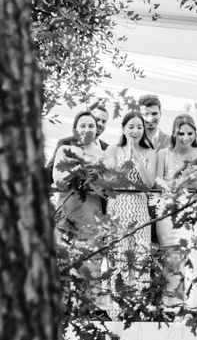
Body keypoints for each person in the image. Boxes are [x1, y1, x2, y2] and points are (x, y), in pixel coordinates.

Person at [103, 112, 157, 291]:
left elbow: (149, 183)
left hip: (140, 209)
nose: (135, 131)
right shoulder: (112, 150)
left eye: (139, 127)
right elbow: (110, 180)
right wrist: (126, 158)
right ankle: (118, 307)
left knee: (141, 256)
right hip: (118, 209)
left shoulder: (150, 152)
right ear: (124, 129)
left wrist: (137, 159)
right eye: (131, 127)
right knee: (119, 256)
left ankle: (140, 307)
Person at [155, 114, 197, 305]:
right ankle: (171, 305)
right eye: (181, 133)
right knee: (171, 260)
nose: (185, 137)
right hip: (168, 213)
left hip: (193, 211)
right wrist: (179, 182)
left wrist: (189, 181)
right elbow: (157, 185)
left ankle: (191, 305)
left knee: (193, 259)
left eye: (190, 133)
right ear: (174, 133)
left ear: (195, 133)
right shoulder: (163, 154)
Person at [52, 110, 106, 281]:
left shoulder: (103, 155)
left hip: (91, 214)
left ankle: (89, 305)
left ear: (96, 129)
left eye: (91, 125)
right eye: (82, 125)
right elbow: (58, 179)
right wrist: (77, 168)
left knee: (90, 263)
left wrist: (95, 175)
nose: (87, 129)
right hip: (67, 211)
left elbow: (107, 188)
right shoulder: (65, 149)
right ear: (75, 129)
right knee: (64, 261)